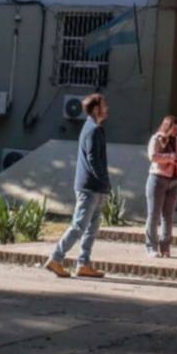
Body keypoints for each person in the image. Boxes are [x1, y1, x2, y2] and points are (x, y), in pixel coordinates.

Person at [45, 93, 111, 278]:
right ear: (96, 109)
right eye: (104, 105)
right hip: (90, 187)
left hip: (94, 187)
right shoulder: (93, 130)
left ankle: (84, 263)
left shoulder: (92, 128)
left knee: (92, 228)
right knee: (79, 226)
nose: (106, 108)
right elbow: (93, 159)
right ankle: (56, 258)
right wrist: (104, 180)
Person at [144, 115, 177, 257]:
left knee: (168, 216)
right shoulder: (156, 138)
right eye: (173, 128)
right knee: (154, 214)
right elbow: (152, 156)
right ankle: (151, 247)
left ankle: (165, 247)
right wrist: (170, 157)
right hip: (157, 179)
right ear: (166, 127)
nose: (175, 131)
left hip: (174, 181)